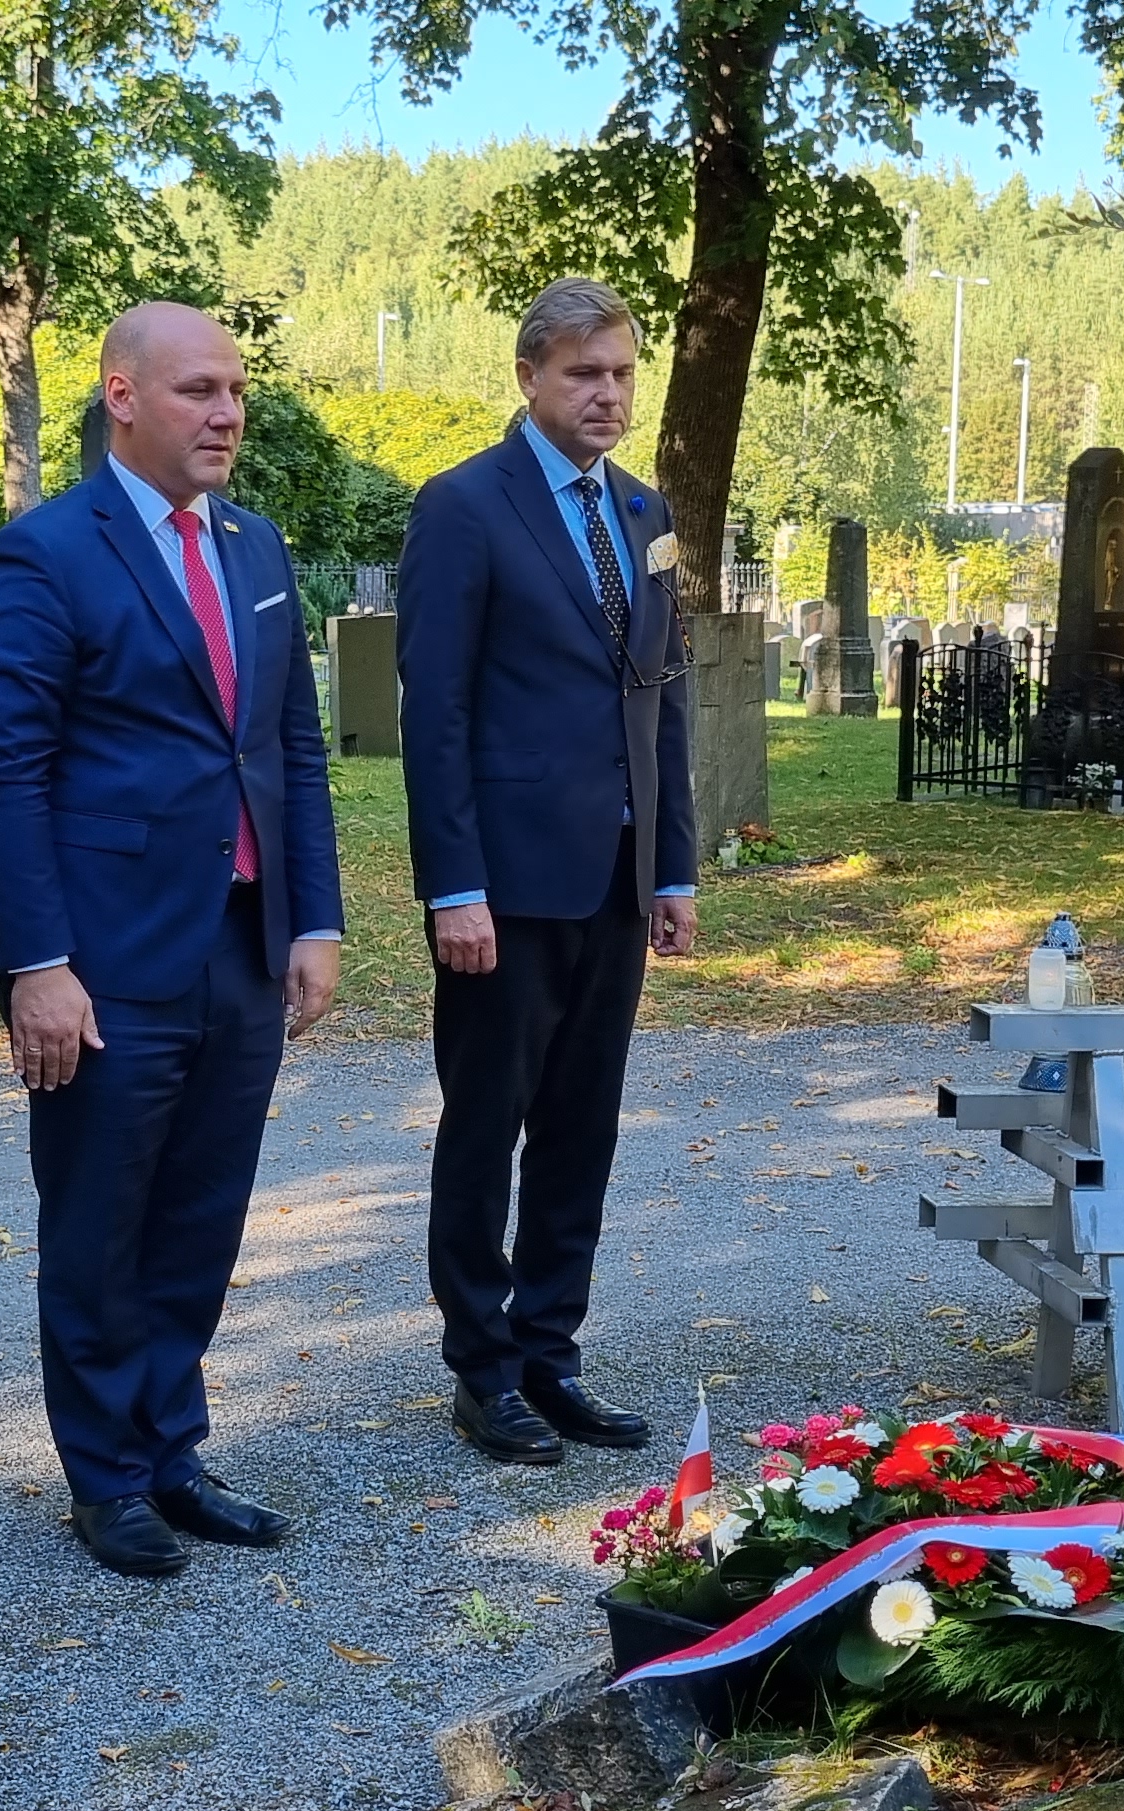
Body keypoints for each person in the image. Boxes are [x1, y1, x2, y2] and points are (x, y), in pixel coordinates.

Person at [0, 302, 345, 1577]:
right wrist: (38, 964)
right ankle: (106, 1475)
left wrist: (313, 917)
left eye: (235, 390)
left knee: (200, 1216)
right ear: (121, 397)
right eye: (198, 391)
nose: (227, 413)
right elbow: (7, 775)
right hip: (103, 957)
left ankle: (172, 1450)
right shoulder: (43, 553)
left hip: (241, 941)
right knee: (99, 1223)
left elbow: (289, 747)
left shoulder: (254, 544)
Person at [392, 276, 696, 1467]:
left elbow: (662, 696)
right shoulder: (465, 506)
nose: (606, 394)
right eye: (583, 374)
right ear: (529, 378)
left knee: (581, 1130)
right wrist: (453, 886)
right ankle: (483, 1370)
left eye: (621, 373)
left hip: (616, 876)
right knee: (487, 1128)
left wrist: (672, 867)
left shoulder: (644, 510)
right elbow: (436, 712)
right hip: (506, 887)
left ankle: (550, 1352)